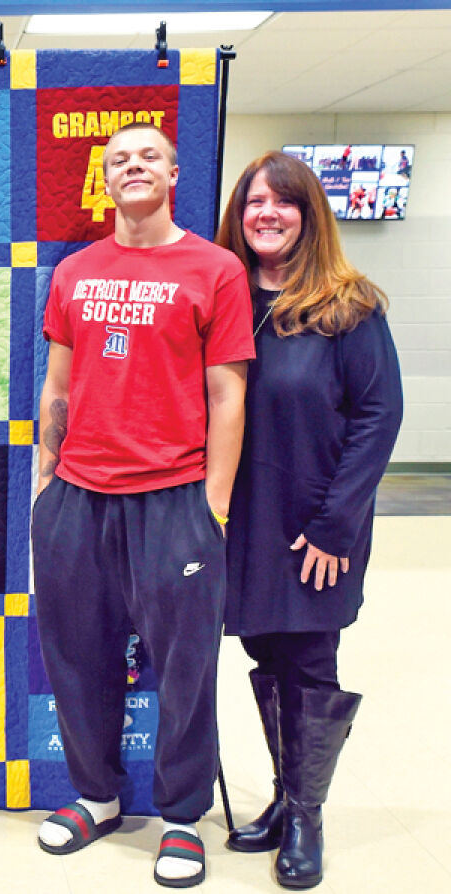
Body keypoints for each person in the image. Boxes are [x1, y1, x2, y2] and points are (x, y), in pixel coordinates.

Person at [31, 123, 254, 888]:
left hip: (173, 501)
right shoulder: (75, 271)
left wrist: (213, 507)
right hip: (78, 498)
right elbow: (57, 387)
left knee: (186, 670)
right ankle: (97, 798)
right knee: (76, 658)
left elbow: (228, 393)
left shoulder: (215, 269)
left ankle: (182, 817)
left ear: (173, 172)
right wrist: (43, 489)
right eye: (118, 159)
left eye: (147, 156)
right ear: (106, 179)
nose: (133, 166)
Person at [216, 151, 403, 889]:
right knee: (266, 658)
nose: (266, 212)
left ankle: (307, 817)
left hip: (316, 529)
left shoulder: (348, 304)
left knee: (311, 664)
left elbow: (379, 416)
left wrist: (335, 526)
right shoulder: (226, 299)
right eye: (254, 201)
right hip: (245, 528)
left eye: (282, 201)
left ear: (309, 214)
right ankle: (284, 794)